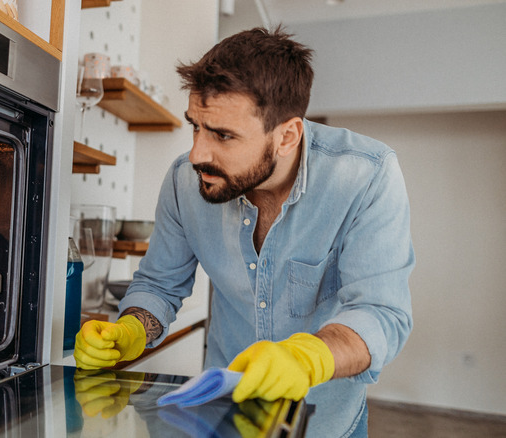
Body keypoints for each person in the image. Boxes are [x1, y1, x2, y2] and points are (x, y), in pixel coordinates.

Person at [73, 27, 414, 438]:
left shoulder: (366, 174)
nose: (197, 153)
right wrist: (129, 330)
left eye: (222, 135)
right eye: (195, 126)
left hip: (327, 422)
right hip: (222, 417)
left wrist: (310, 357)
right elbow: (160, 286)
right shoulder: (185, 181)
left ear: (287, 135)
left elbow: (381, 312)